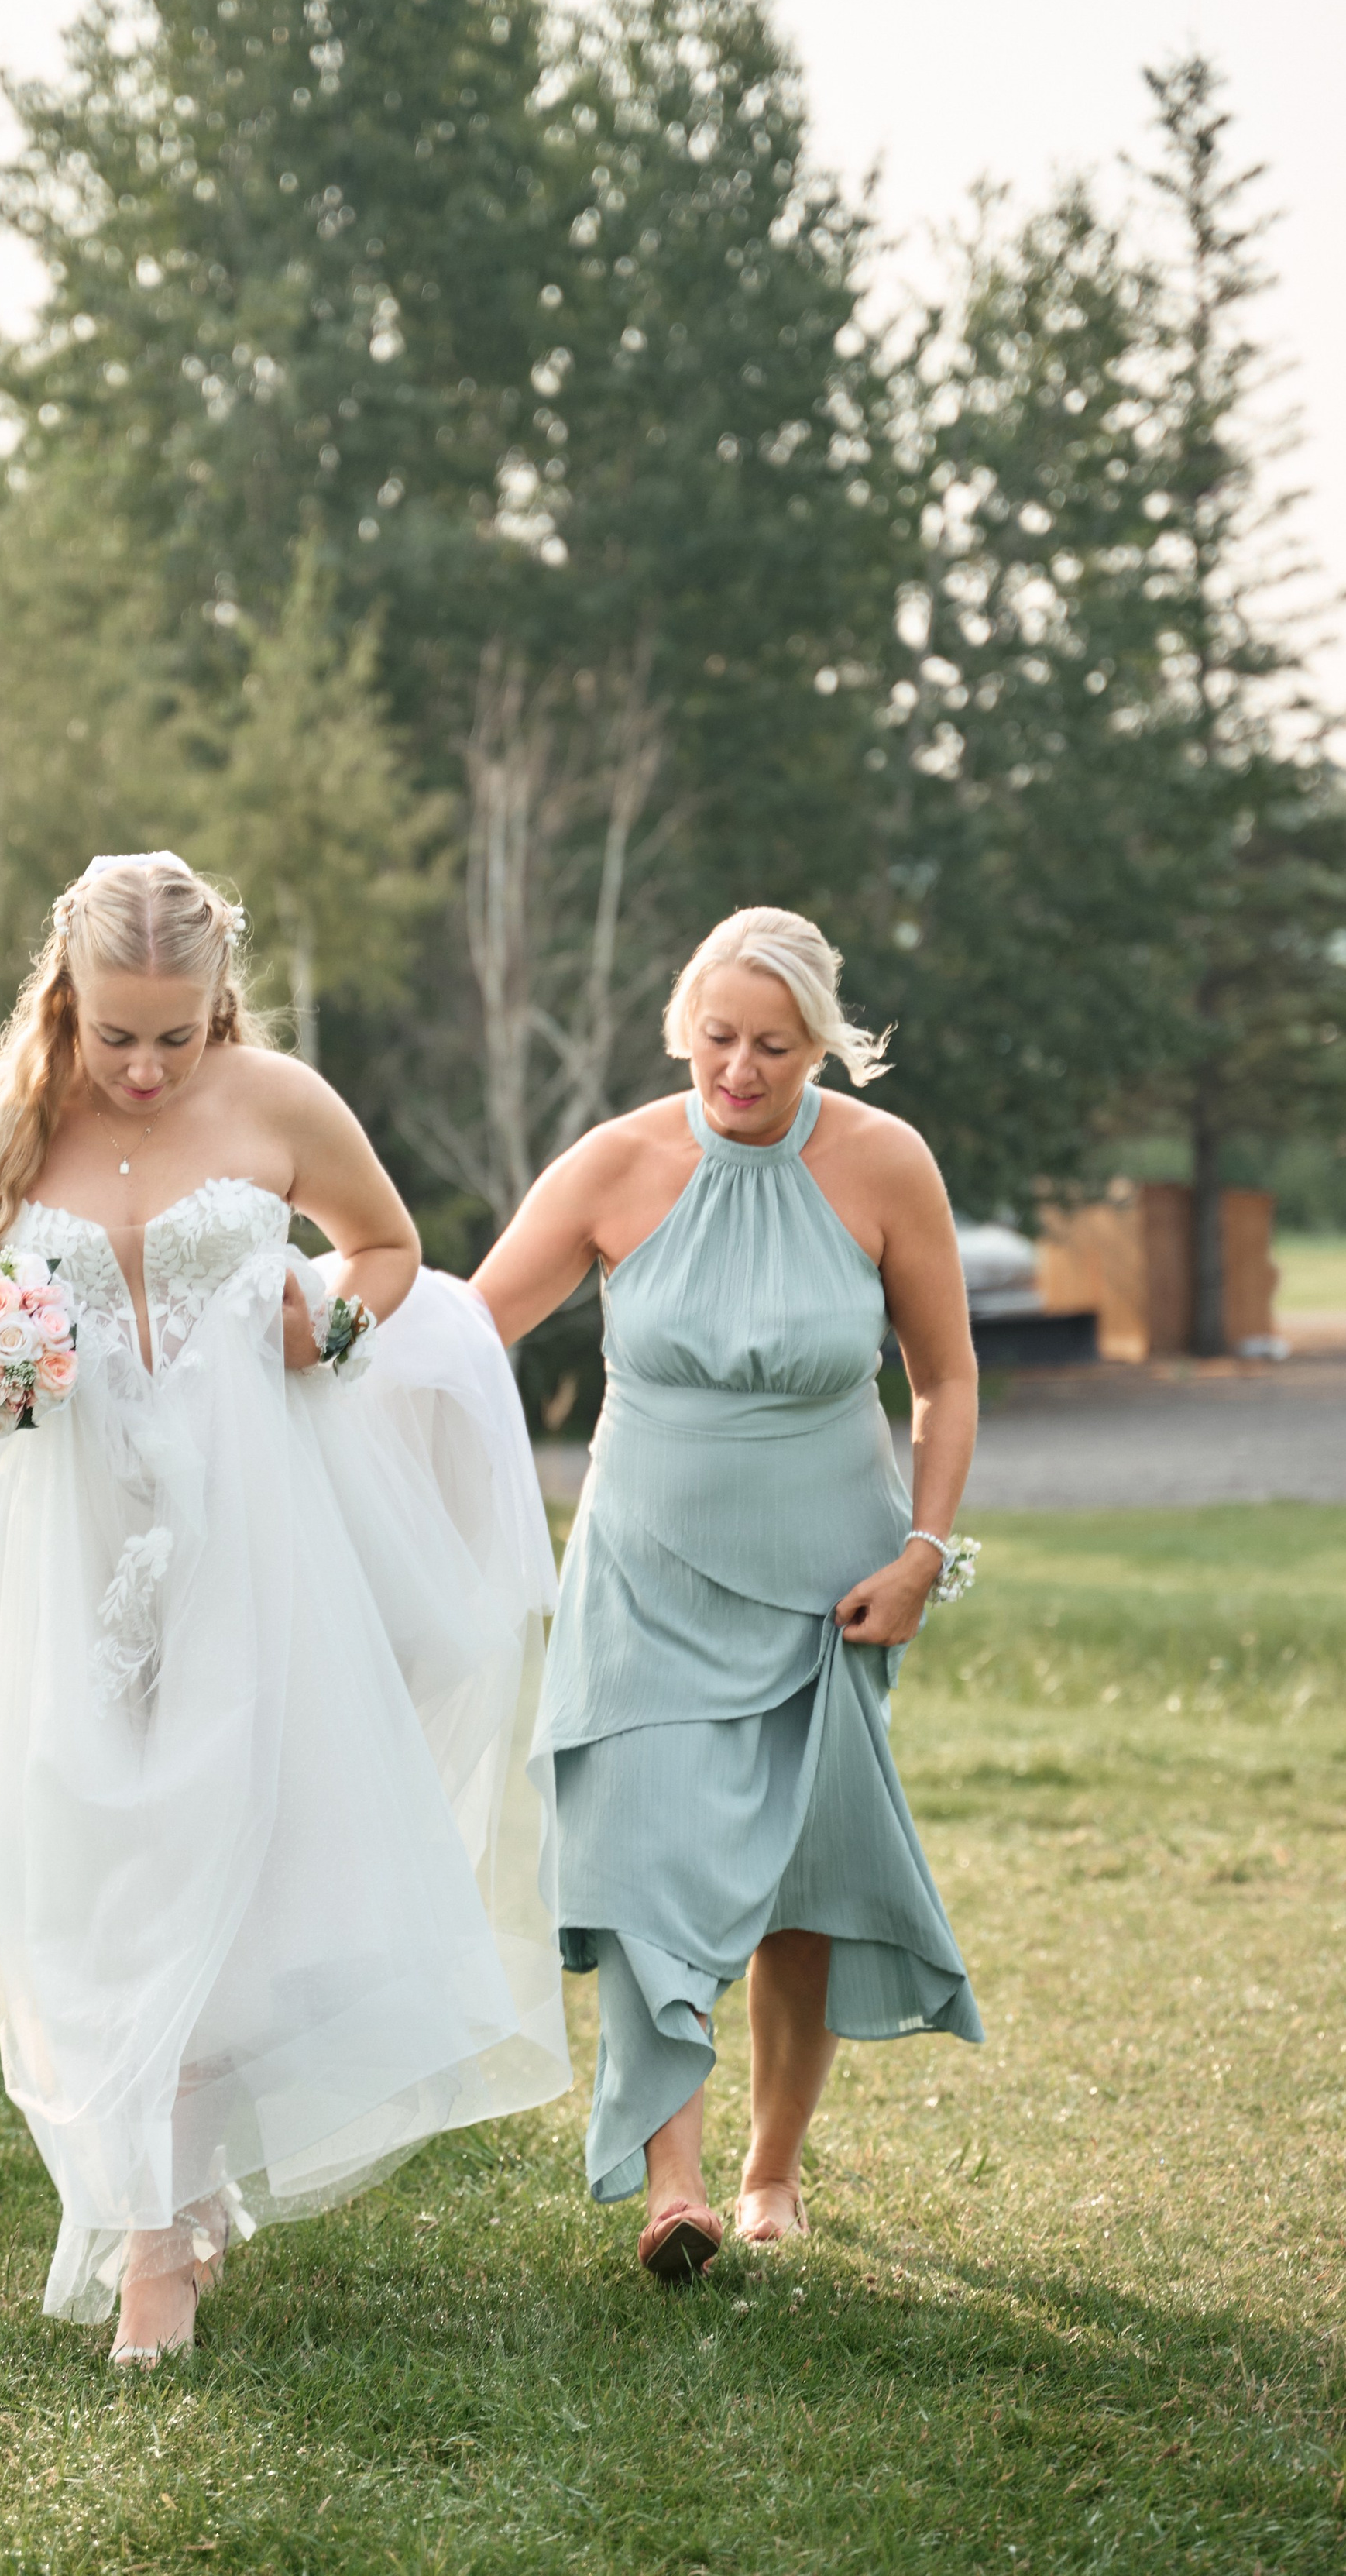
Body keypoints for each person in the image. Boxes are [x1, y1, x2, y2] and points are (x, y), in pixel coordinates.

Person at [0, 851, 568, 2362]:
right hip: (73, 1545)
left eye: (172, 1034)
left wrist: (322, 1313)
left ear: (217, 1006)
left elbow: (386, 1251)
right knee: (99, 1859)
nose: (141, 1066)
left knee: (226, 1832)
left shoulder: (277, 1101)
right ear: (61, 991)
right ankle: (163, 2192)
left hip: (254, 1527)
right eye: (113, 1031)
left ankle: (156, 2234)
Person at [472, 905, 982, 2280]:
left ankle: (769, 2172)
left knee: (798, 1885)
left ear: (822, 1043)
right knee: (642, 1855)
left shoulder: (885, 1166)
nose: (741, 1071)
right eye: (718, 1040)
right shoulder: (616, 1161)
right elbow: (471, 1329)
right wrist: (324, 1338)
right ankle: (675, 2184)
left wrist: (927, 1553)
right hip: (641, 1573)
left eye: (775, 1046)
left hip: (831, 1581)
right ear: (680, 1029)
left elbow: (943, 1379)